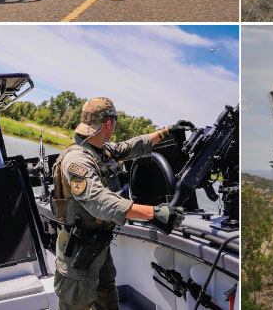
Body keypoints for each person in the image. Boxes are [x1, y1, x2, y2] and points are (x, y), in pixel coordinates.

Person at [52, 97, 193, 310]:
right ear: (109, 123)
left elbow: (129, 147)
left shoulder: (101, 150)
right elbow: (99, 202)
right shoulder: (78, 160)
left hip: (98, 246)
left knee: (108, 300)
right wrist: (154, 213)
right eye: (115, 121)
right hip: (79, 253)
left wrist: (166, 132)